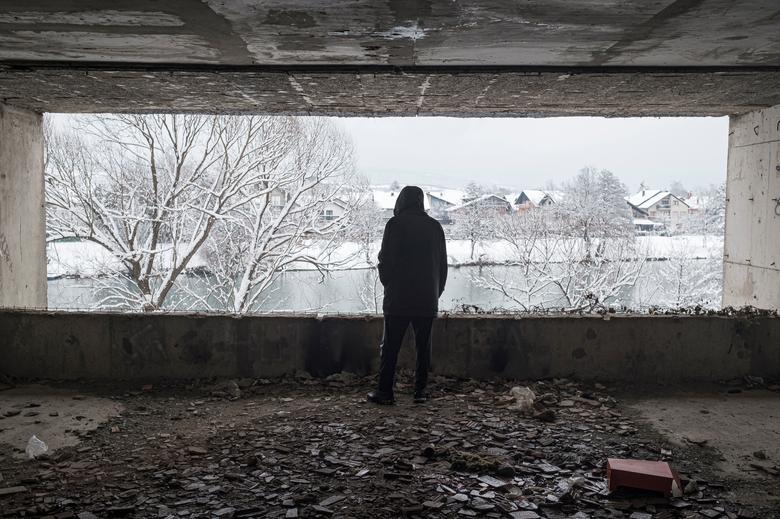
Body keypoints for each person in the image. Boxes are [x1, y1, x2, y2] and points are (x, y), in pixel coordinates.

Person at [367, 185, 448, 405]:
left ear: (401, 201)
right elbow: (442, 266)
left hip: (398, 299)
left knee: (390, 347)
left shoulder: (394, 225)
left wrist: (389, 285)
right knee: (423, 348)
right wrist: (435, 292)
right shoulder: (435, 227)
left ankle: (385, 392)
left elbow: (386, 261)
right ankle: (420, 392)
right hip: (426, 298)